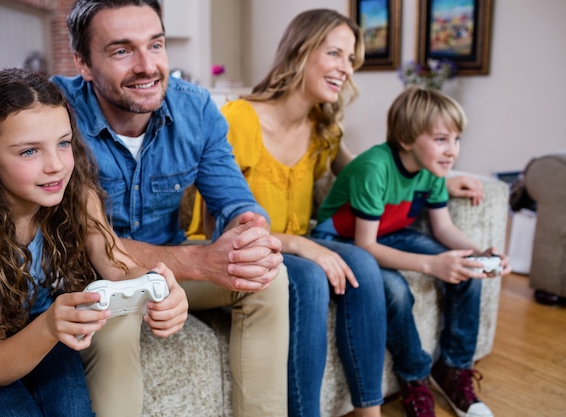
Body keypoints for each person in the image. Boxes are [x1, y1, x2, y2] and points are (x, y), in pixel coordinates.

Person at [52, 0, 289, 416]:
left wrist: (249, 232)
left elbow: (236, 202)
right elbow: (90, 242)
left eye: (156, 45)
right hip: (89, 276)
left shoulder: (195, 108)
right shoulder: (56, 113)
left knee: (268, 277)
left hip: (168, 271)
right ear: (83, 63)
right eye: (122, 50)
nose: (147, 66)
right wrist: (200, 261)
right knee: (113, 320)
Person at [0, 68, 188, 417]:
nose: (56, 165)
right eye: (29, 152)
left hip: (41, 319)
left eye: (63, 143)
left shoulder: (77, 196)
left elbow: (117, 263)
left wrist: (156, 286)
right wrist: (50, 326)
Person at [188, 9, 386, 417]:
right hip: (245, 251)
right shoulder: (238, 120)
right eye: (335, 54)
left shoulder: (323, 126)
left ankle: (371, 411)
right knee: (311, 276)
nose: (346, 69)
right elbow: (218, 230)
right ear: (301, 51)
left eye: (351, 59)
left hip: (296, 244)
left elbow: (366, 175)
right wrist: (301, 246)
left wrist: (440, 178)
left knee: (363, 265)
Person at [312, 86, 511, 417]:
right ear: (406, 140)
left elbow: (444, 229)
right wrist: (433, 264)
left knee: (468, 269)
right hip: (343, 242)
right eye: (441, 139)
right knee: (395, 291)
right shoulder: (374, 168)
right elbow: (366, 246)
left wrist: (480, 251)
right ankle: (415, 378)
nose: (452, 151)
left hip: (389, 234)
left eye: (456, 139)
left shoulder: (433, 171)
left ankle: (453, 369)